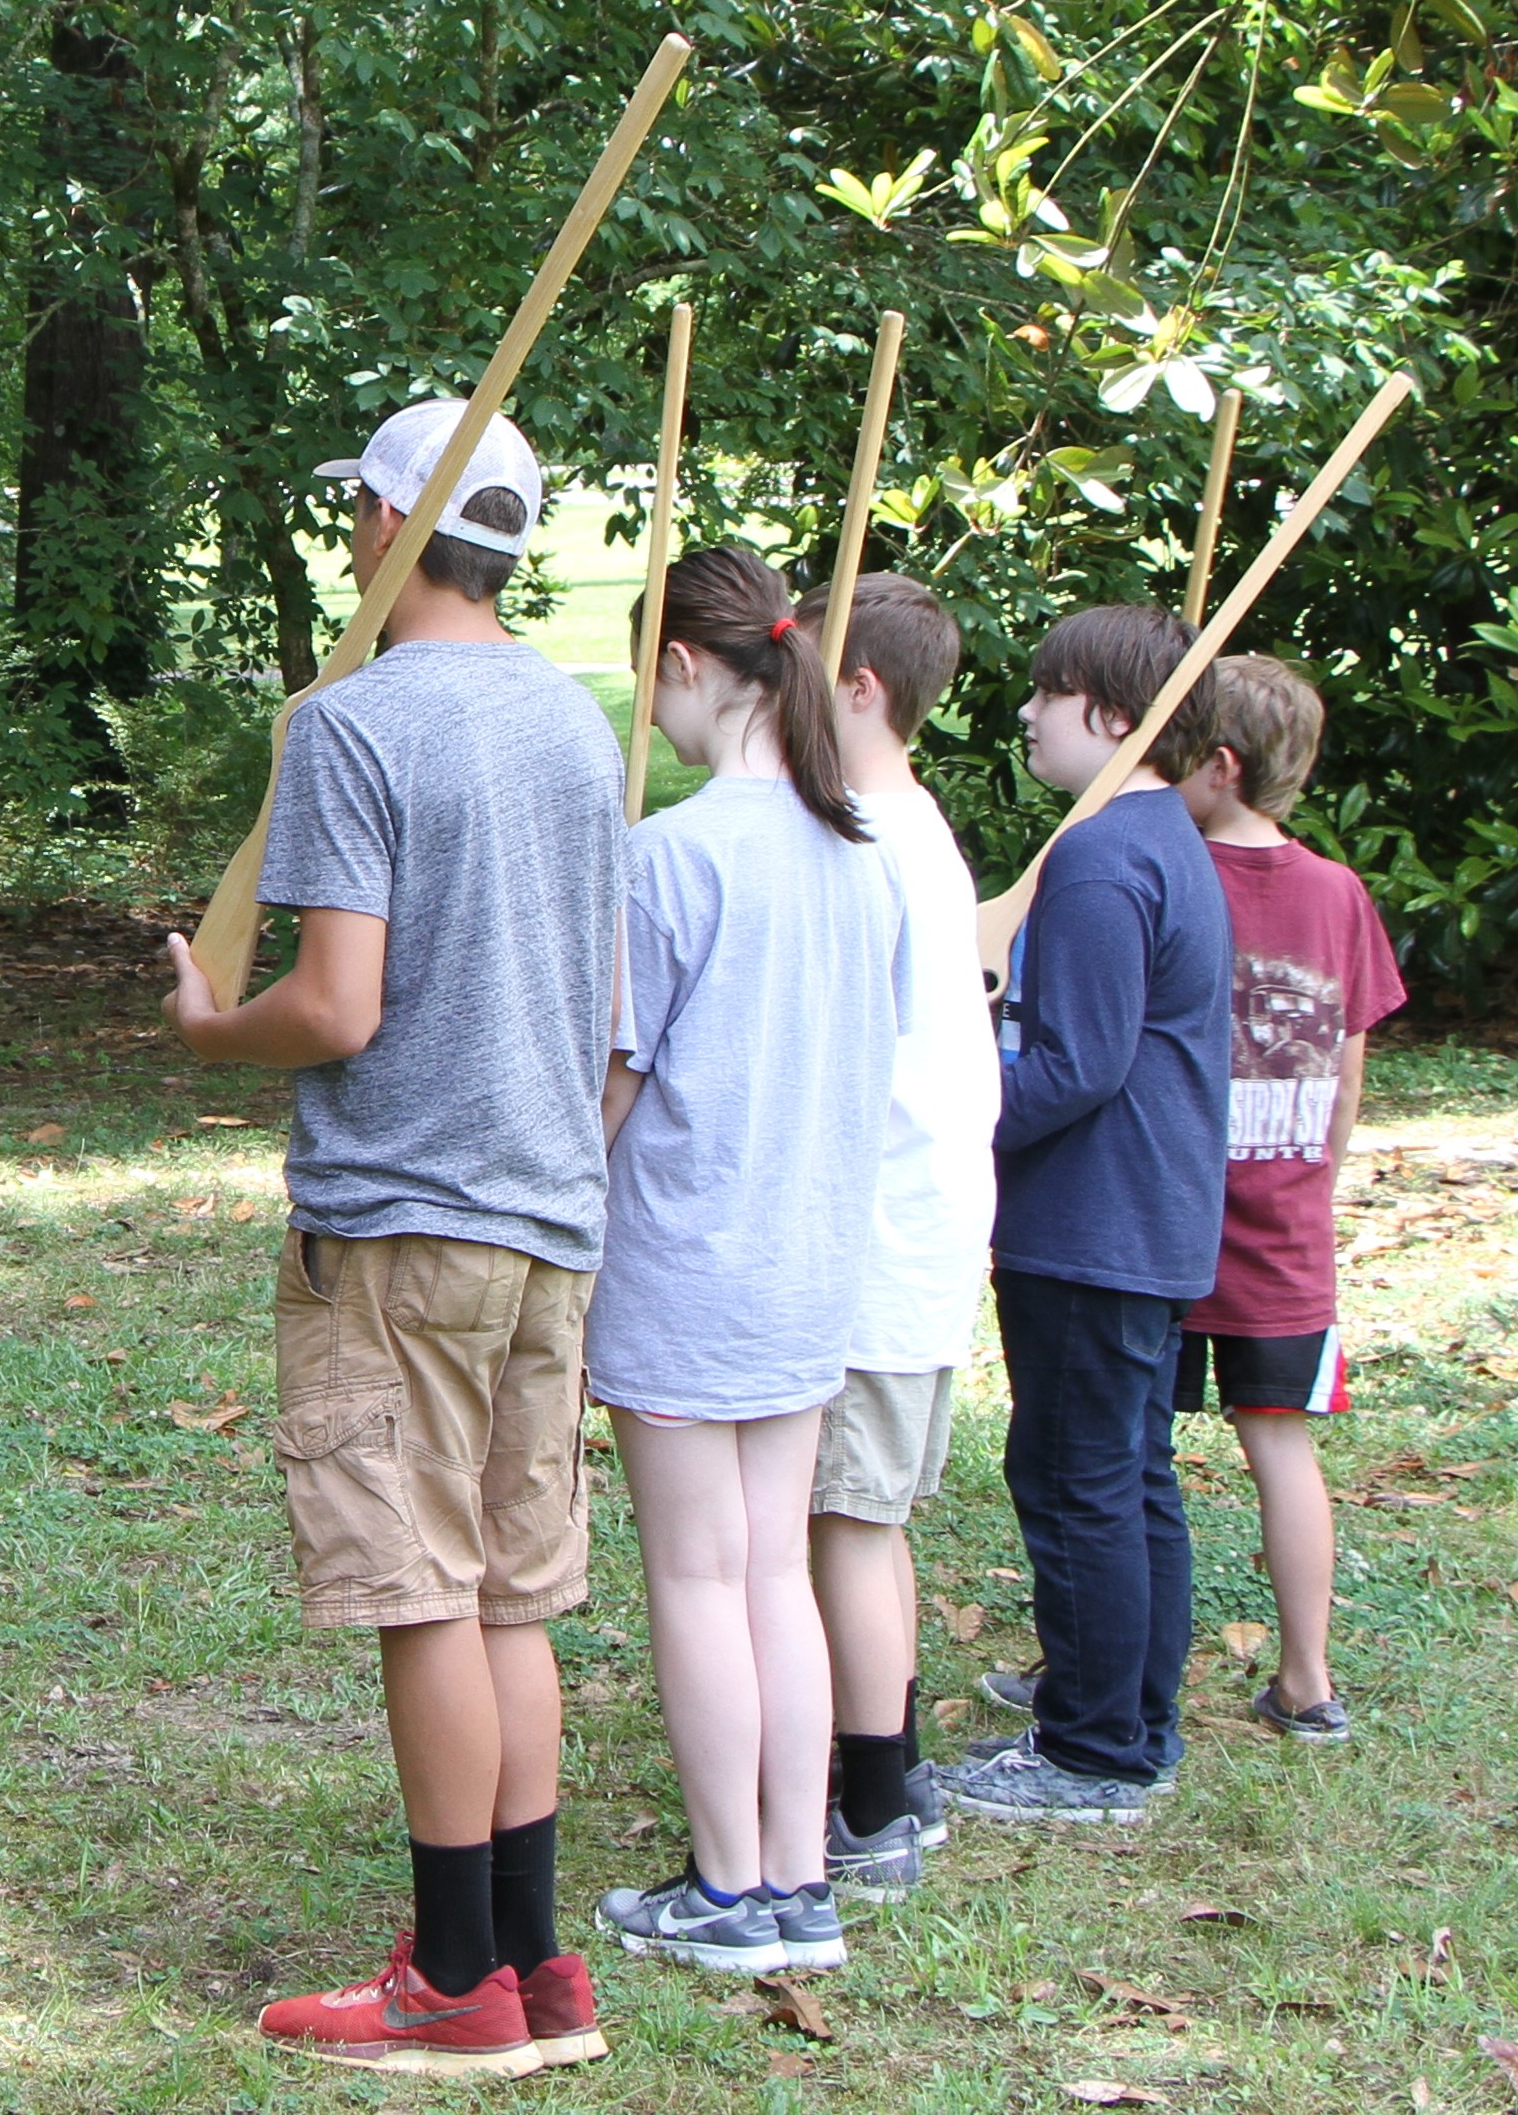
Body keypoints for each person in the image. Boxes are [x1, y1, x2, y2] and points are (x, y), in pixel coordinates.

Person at [162, 400, 621, 2078]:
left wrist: (211, 1029)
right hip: (546, 1222)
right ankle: (528, 1962)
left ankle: (446, 1980)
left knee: (424, 1591)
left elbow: (336, 1006)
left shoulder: (346, 728)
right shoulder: (581, 730)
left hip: (403, 1224)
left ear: (379, 517)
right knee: (508, 1595)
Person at [590, 546, 910, 1979]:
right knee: (773, 1566)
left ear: (684, 667)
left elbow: (612, 1077)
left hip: (684, 1261)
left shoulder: (670, 854)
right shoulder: (865, 854)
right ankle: (797, 1874)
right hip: (806, 1262)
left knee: (701, 1578)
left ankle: (732, 1885)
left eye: (648, 684)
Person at [944, 606, 1228, 1828]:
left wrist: (946, 1108)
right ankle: (1129, 1714)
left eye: (1045, 695)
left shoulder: (1105, 853)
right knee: (1124, 1469)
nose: (1025, 715)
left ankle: (1094, 1747)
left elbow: (1078, 1063)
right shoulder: (1157, 836)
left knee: (1075, 1477)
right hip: (1145, 1214)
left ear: (1111, 718)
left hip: (1096, 1220)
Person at [788, 574, 997, 1897]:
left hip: (881, 1237)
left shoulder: (862, 834)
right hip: (916, 1234)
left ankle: (870, 1798)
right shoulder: (908, 825)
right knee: (863, 1520)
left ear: (859, 688)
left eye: (802, 665)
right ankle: (893, 1759)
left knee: (848, 1523)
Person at [1174, 654, 1403, 1741]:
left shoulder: (1168, 872)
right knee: (1280, 1442)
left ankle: (1099, 1659)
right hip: (1287, 1222)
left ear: (1215, 766)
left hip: (1161, 1217)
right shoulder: (1335, 893)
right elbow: (1347, 1061)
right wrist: (1319, 1172)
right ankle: (1307, 1681)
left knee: (1127, 1450)